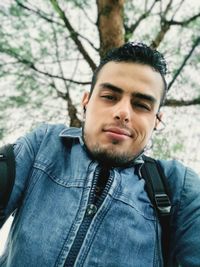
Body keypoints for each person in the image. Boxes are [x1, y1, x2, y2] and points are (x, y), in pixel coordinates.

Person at [0, 42, 200, 267]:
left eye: (141, 105)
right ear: (86, 101)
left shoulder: (178, 186)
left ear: (157, 120)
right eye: (109, 96)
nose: (123, 112)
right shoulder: (43, 145)